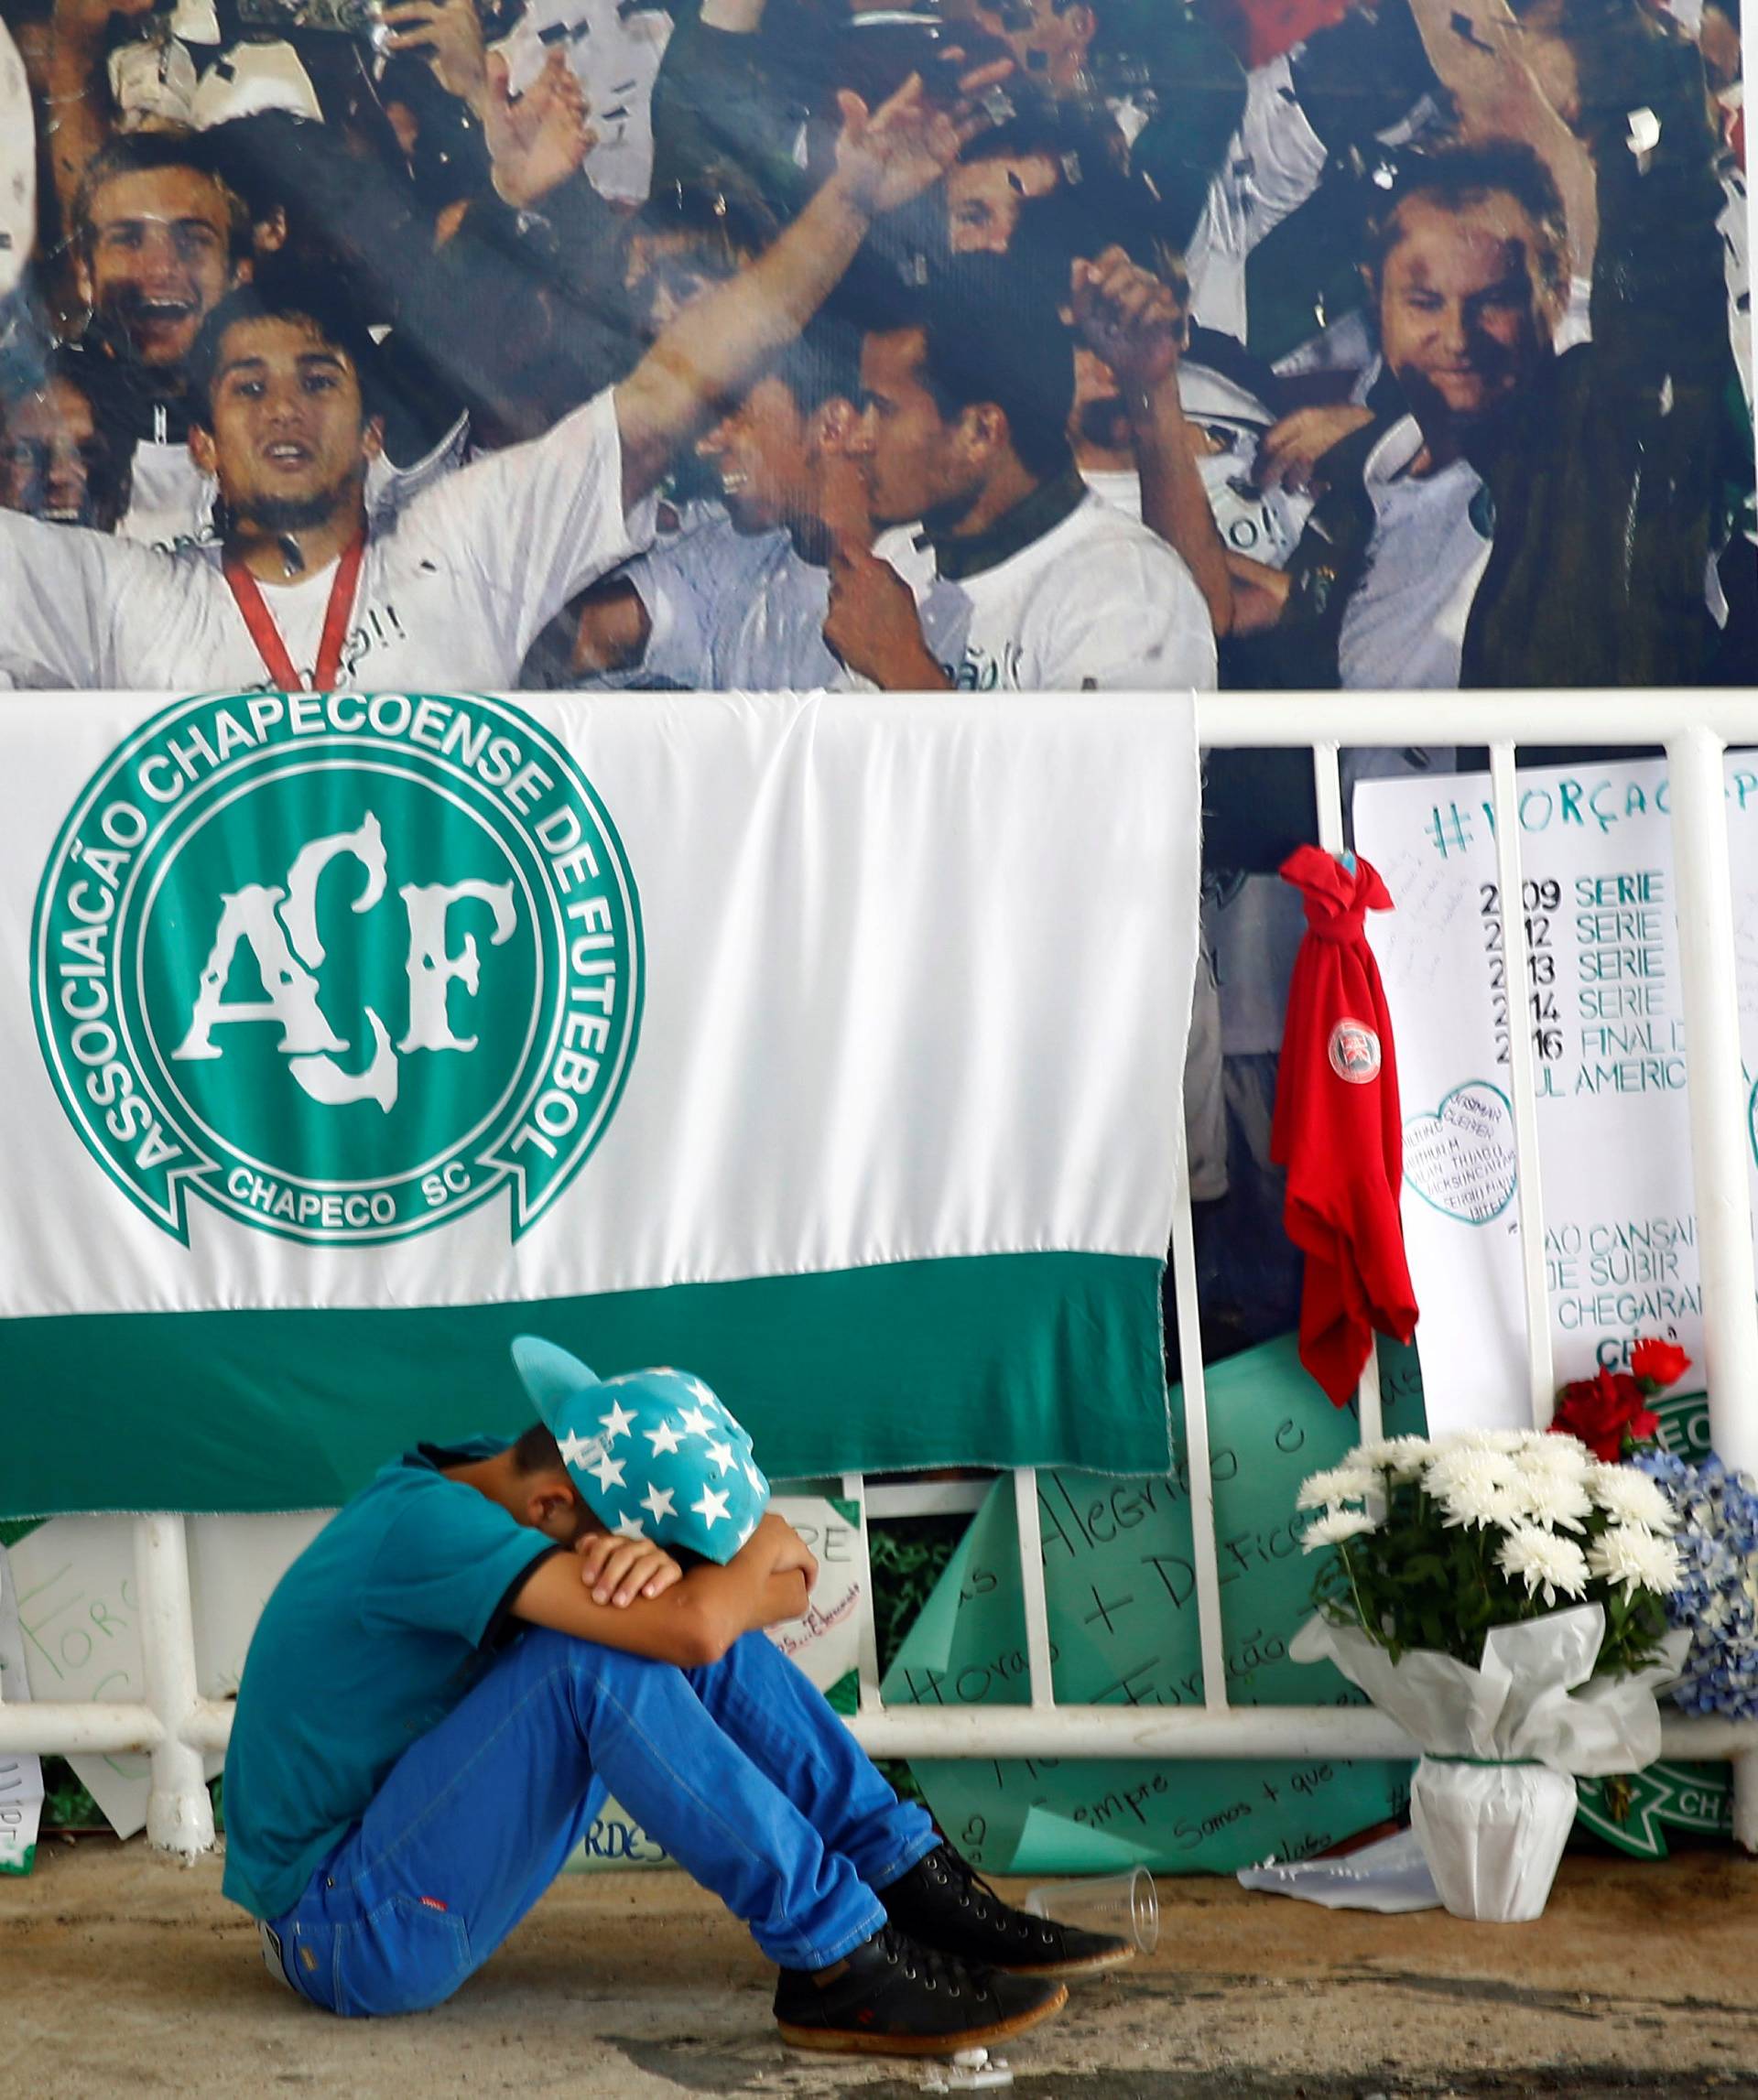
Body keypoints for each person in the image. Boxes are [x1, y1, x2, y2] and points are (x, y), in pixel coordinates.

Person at [223, 1337, 1130, 2045]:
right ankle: (834, 1958)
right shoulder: (429, 1525)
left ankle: (900, 1879)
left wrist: (713, 1575)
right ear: (550, 1506)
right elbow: (708, 1617)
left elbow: (780, 1573)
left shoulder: (501, 1477)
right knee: (602, 1657)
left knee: (658, 1629)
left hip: (383, 1883)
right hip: (341, 1930)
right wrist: (722, 1575)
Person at [0, 70, 995, 692]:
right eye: (247, 389)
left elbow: (676, 390)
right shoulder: (124, 599)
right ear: (204, 447)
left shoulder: (459, 546)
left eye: (319, 380)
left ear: (374, 433)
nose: (287, 408)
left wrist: (852, 201)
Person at [822, 253, 1216, 691]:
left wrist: (901, 664)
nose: (858, 440)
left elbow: (1084, 764)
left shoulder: (1130, 592)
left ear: (981, 432)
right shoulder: (900, 561)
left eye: (884, 410)